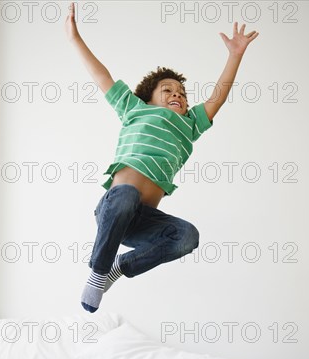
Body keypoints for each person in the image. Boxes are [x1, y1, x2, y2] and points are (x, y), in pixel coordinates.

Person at [65, 2, 259, 312]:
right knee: (127, 193)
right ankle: (99, 272)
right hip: (115, 208)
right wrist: (75, 38)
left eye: (182, 93)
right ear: (149, 98)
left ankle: (119, 267)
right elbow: (102, 76)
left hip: (141, 222)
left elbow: (218, 96)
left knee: (187, 236)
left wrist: (235, 55)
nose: (177, 96)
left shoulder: (190, 124)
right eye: (168, 90)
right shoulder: (135, 109)